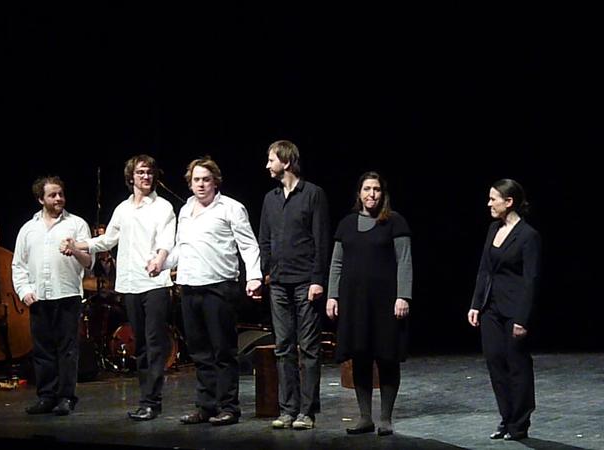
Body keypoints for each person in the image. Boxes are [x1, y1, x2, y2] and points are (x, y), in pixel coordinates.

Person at [65, 155, 176, 421]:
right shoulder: (123, 209)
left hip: (155, 282)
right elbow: (108, 239)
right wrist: (79, 245)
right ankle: (147, 400)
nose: (146, 176)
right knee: (141, 344)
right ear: (131, 177)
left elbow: (166, 241)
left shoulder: (163, 207)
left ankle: (151, 401)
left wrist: (159, 260)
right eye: (140, 172)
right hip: (130, 283)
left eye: (149, 172)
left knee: (154, 342)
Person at [156, 156, 262, 426]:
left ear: (215, 181)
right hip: (190, 287)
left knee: (223, 351)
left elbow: (248, 245)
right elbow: (181, 247)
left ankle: (229, 407)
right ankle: (206, 406)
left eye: (206, 179)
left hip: (219, 287)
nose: (201, 184)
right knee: (199, 352)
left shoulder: (231, 208)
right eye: (196, 180)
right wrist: (162, 262)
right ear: (189, 183)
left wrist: (254, 277)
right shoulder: (185, 210)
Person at [326, 171, 412, 436]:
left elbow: (404, 261)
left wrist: (403, 296)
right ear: (359, 193)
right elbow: (337, 263)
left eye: (376, 189)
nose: (371, 194)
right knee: (360, 356)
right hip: (354, 302)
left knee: (387, 357)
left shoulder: (394, 221)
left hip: (385, 302)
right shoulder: (347, 224)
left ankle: (385, 418)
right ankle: (365, 417)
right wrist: (332, 295)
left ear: (382, 193)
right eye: (366, 189)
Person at [258, 140, 330, 430]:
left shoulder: (313, 194)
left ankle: (307, 411)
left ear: (286, 162)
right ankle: (287, 409)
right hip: (278, 282)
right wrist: (265, 271)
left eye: (271, 160)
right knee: (283, 347)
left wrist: (317, 280)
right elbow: (265, 238)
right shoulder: (270, 198)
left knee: (309, 348)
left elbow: (321, 240)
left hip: (305, 282)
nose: (267, 165)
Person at [467, 178, 541, 441]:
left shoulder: (528, 236)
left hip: (514, 310)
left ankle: (519, 422)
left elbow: (531, 280)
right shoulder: (493, 229)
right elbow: (484, 269)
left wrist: (523, 318)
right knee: (495, 362)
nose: (489, 203)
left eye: (493, 199)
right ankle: (506, 418)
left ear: (509, 202)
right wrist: (476, 304)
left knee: (517, 366)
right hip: (491, 308)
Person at [12, 176, 92, 416]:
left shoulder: (76, 224)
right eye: (52, 195)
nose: (58, 199)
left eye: (61, 194)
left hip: (67, 294)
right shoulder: (28, 229)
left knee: (67, 350)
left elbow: (89, 262)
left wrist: (75, 249)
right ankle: (46, 396)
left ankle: (66, 397)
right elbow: (18, 265)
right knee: (42, 350)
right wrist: (24, 291)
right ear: (41, 199)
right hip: (39, 297)